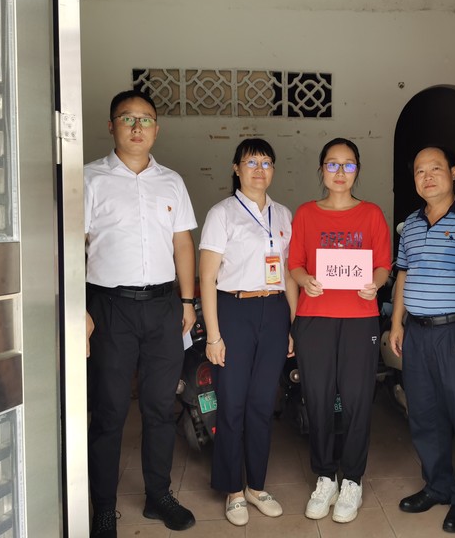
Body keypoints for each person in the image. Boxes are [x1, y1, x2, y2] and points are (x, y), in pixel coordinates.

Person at [85, 89, 197, 537]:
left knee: (160, 407)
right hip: (109, 308)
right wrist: (79, 309)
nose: (137, 127)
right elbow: (70, 246)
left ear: (156, 129)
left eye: (145, 119)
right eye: (127, 118)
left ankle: (158, 495)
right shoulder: (89, 179)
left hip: (164, 307)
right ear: (111, 126)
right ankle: (103, 507)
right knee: (109, 411)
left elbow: (182, 243)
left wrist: (186, 302)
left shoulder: (171, 181)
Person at [288, 137, 392, 524]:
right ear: (322, 169)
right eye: (332, 164)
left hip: (360, 319)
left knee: (357, 399)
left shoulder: (372, 214)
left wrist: (375, 284)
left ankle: (352, 480)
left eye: (348, 165)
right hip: (314, 318)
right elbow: (295, 263)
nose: (340, 172)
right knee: (317, 397)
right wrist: (306, 280)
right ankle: (324, 476)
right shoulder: (305, 214)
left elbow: (383, 264)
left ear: (357, 171)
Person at [198, 138, 298, 526]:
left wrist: (292, 325)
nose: (259, 169)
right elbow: (207, 278)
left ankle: (256, 485)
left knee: (262, 402)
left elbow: (288, 273)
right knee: (233, 402)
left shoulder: (283, 214)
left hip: (274, 310)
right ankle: (233, 490)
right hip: (234, 309)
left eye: (266, 162)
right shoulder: (222, 213)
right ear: (237, 169)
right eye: (251, 162)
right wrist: (214, 335)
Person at [389, 146, 455, 533]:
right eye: (419, 171)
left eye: (435, 168)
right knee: (424, 414)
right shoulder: (411, 224)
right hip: (416, 332)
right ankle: (437, 486)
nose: (427, 176)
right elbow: (403, 274)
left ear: (454, 172)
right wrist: (397, 323)